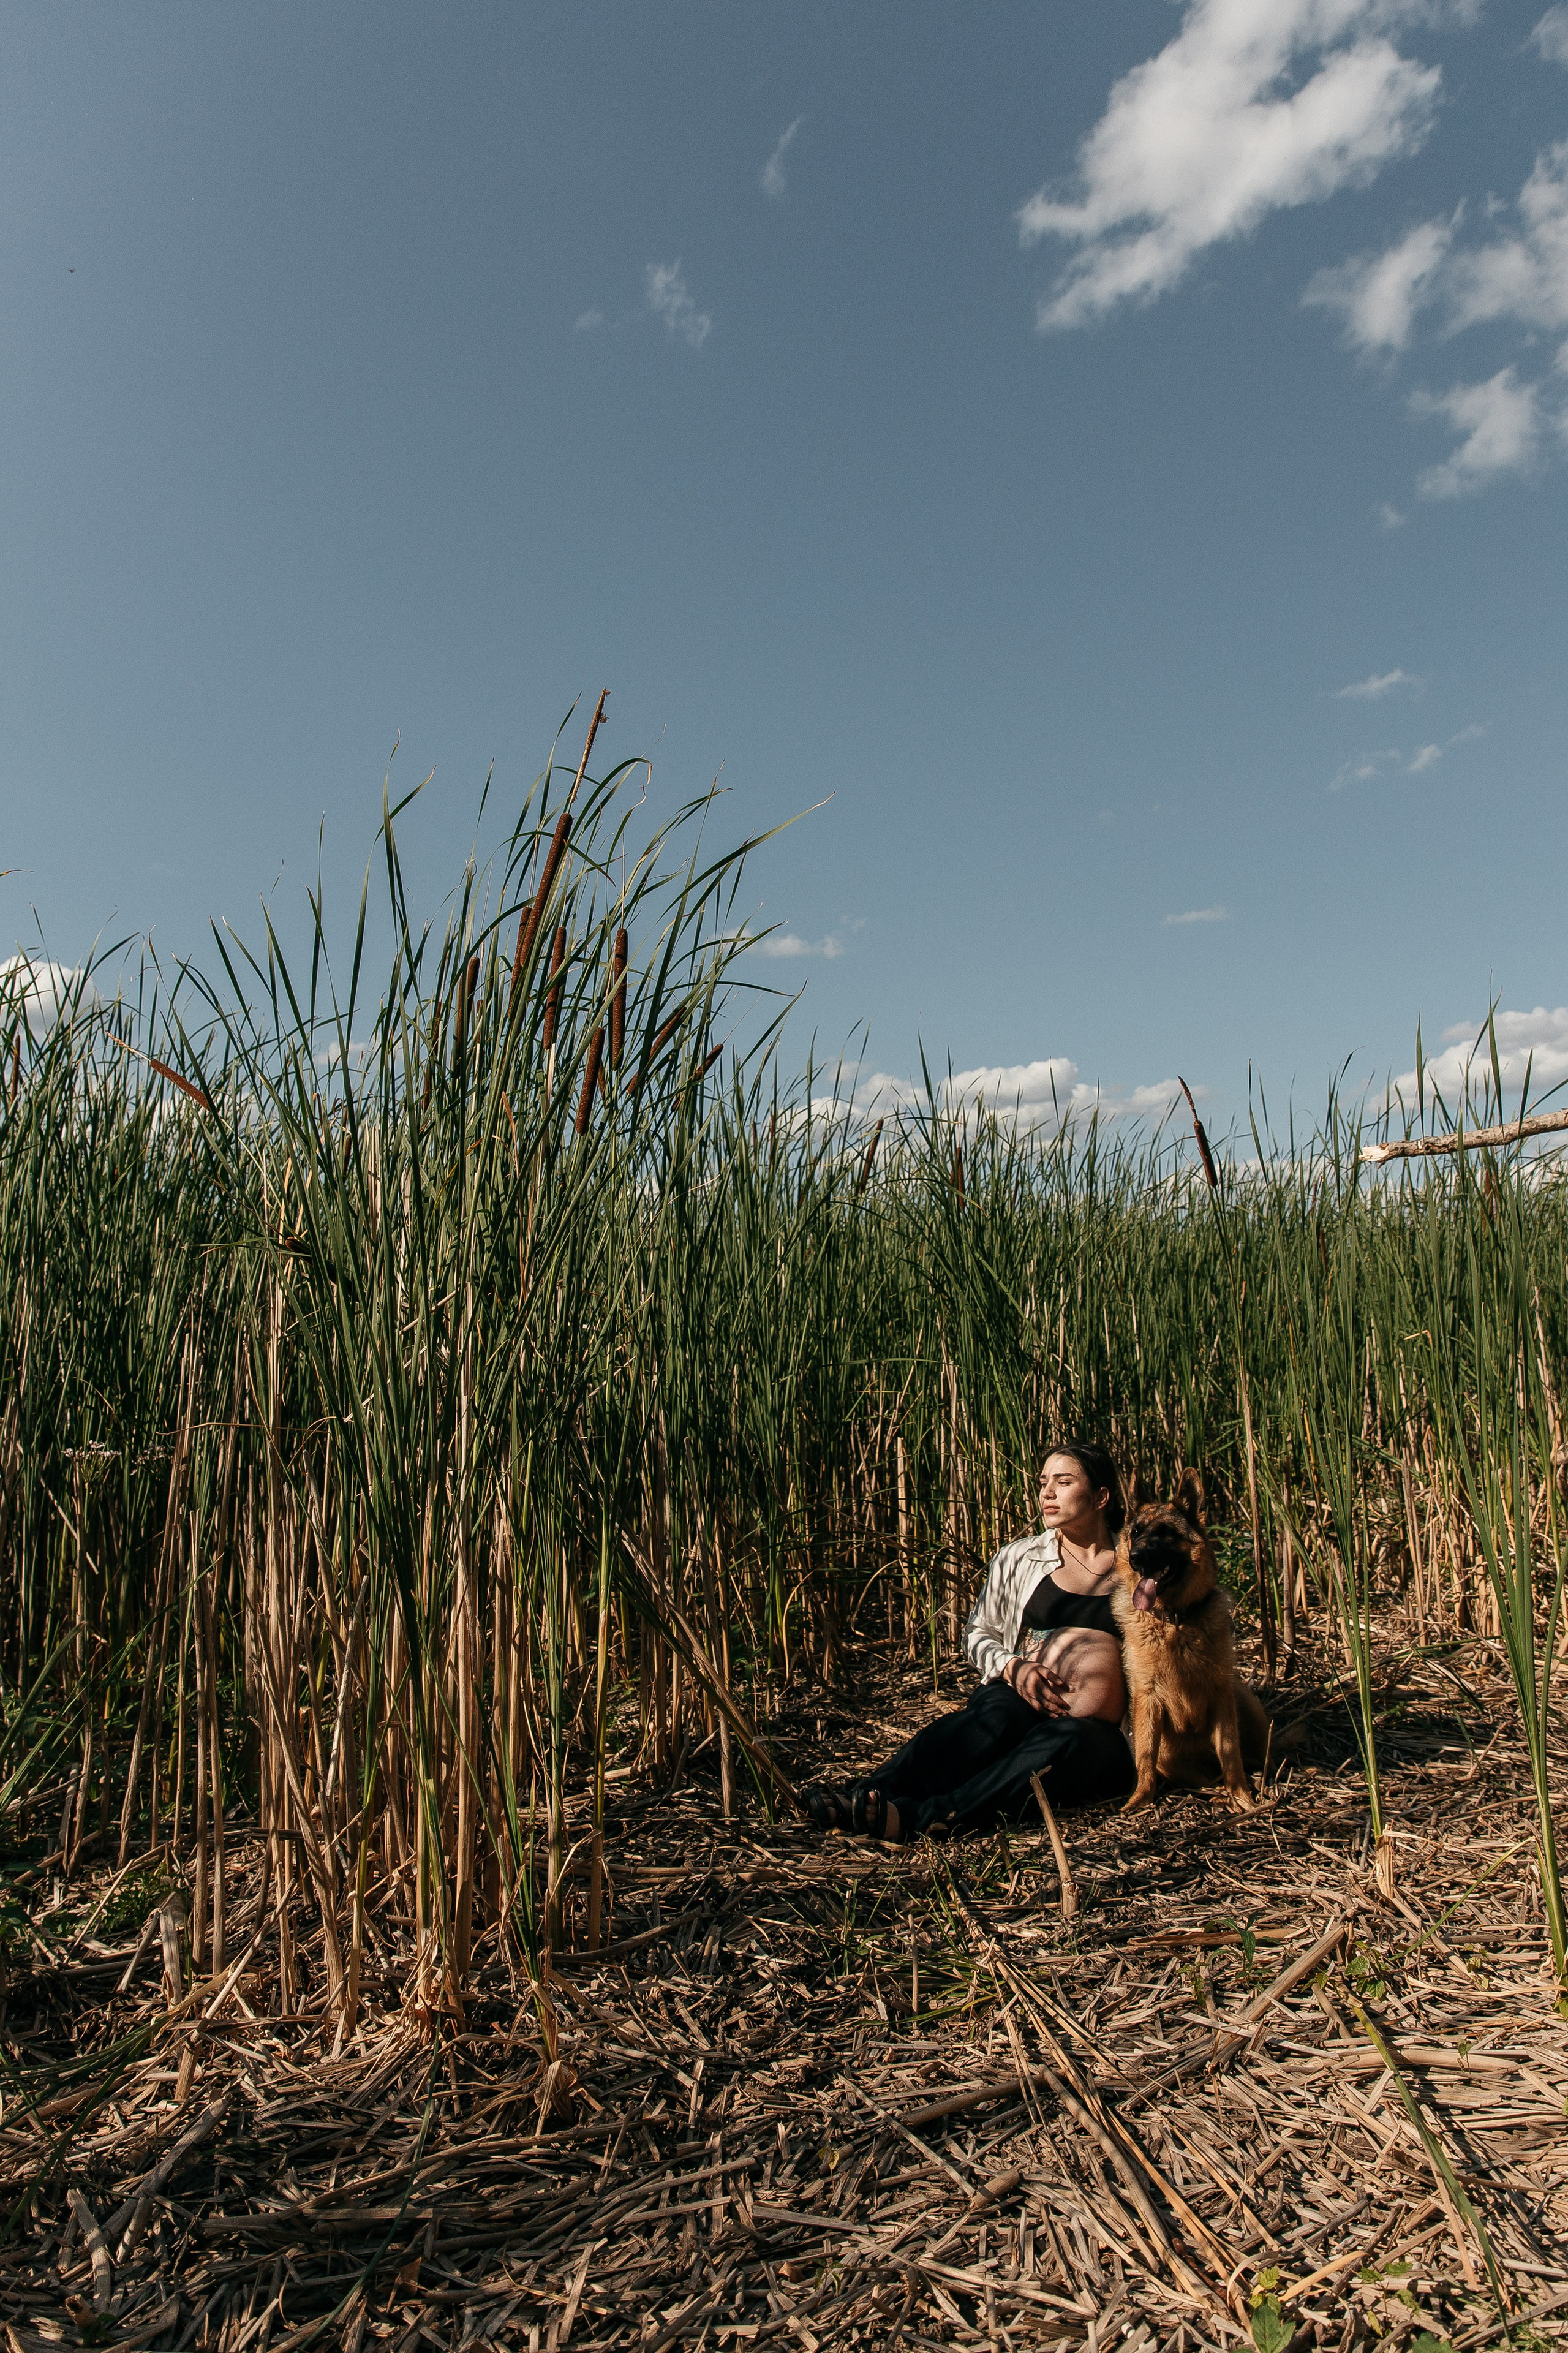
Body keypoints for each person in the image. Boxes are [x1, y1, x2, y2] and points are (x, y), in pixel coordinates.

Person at [805, 1441, 1135, 1841]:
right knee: (991, 1721)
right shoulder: (1020, 1558)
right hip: (1015, 1696)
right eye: (1043, 1482)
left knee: (1063, 1741)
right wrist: (1013, 1666)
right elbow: (978, 1633)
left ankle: (926, 1818)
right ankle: (866, 1796)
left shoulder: (1136, 1568)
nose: (1047, 1492)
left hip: (1095, 1732)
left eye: (1063, 1482)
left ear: (1101, 1496)